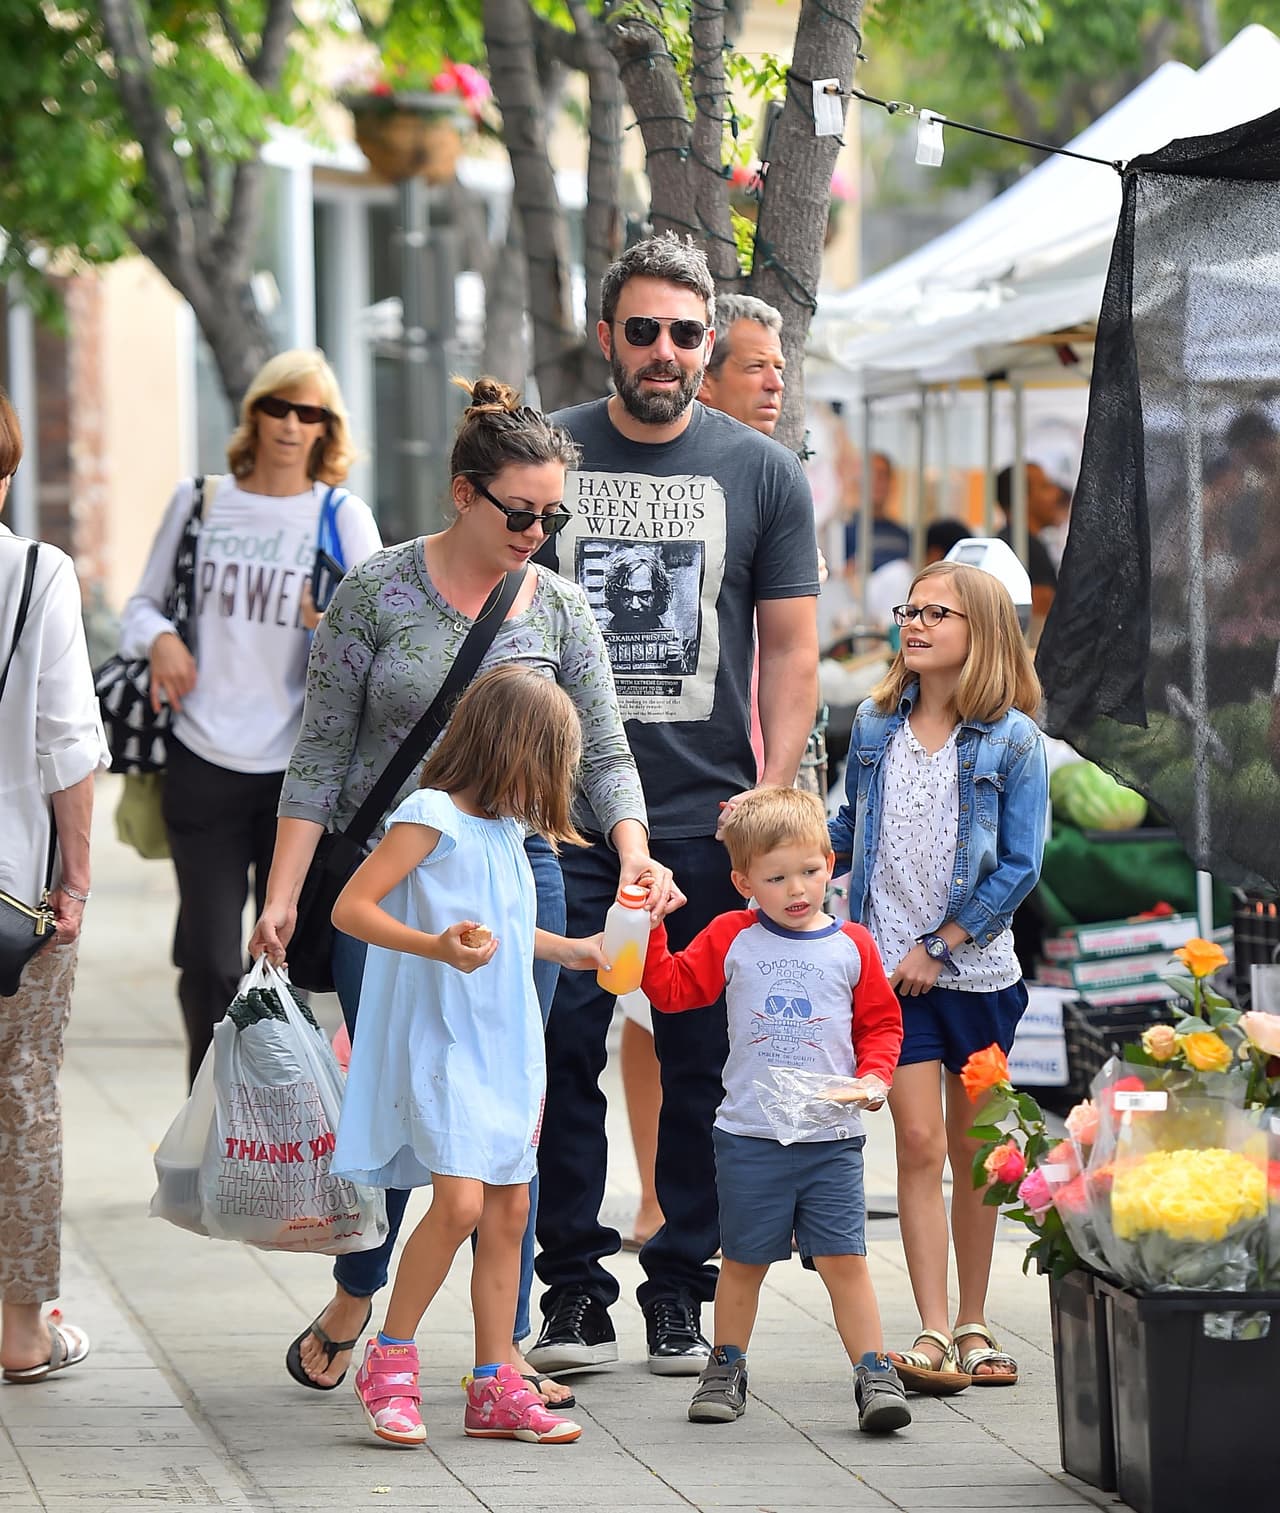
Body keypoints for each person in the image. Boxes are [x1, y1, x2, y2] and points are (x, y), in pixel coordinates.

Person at [249, 378, 669, 1406]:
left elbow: (604, 751)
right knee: (404, 1094)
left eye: (550, 514)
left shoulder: (559, 608)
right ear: (461, 494)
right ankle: (360, 1291)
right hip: (391, 876)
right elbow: (320, 756)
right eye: (517, 511)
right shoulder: (378, 590)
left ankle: (501, 1347)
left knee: (503, 1112)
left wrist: (632, 851)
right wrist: (284, 894)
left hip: (513, 872)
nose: (534, 530)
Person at [528, 234, 819, 1377]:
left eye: (683, 333)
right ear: (606, 336)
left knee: (701, 1060)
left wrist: (772, 790)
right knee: (561, 1052)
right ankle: (571, 1292)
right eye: (640, 329)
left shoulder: (761, 471)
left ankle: (679, 1289)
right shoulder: (547, 452)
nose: (662, 352)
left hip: (704, 822)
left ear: (709, 344)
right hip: (562, 822)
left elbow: (789, 648)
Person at [331, 665, 606, 1447]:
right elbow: (354, 907)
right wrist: (435, 947)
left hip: (507, 1043)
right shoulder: (429, 816)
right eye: (551, 762)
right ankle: (389, 1358)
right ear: (510, 748)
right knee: (457, 1205)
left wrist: (575, 950)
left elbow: (506, 931)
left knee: (511, 1210)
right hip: (443, 1039)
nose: (555, 783)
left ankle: (495, 1381)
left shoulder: (505, 831)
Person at [118, 349, 381, 1085]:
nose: (293, 426)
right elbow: (137, 608)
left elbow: (390, 629)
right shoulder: (200, 500)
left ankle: (273, 1116)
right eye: (279, 408)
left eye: (311, 414)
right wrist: (162, 638)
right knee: (206, 958)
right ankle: (207, 1117)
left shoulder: (340, 515)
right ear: (254, 413)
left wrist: (329, 622)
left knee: (281, 957)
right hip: (202, 756)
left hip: (300, 771)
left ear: (329, 428)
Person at [829, 561, 1047, 1391]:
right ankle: (927, 1326)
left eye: (935, 612)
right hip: (892, 975)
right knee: (916, 1144)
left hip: (979, 974)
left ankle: (973, 1320)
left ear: (980, 629)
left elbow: (1020, 867)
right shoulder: (876, 725)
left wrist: (945, 943)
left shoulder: (1013, 740)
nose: (914, 624)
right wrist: (790, 843)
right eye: (908, 610)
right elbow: (854, 827)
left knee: (977, 1150)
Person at [641, 787, 910, 1432]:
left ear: (829, 860)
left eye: (812, 871)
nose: (798, 888)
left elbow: (882, 1025)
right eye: (777, 877)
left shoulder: (854, 946)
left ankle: (874, 1372)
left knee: (846, 1260)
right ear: (743, 882)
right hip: (750, 1136)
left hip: (832, 1138)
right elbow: (675, 991)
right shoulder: (731, 936)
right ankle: (726, 1367)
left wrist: (874, 1079)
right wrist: (649, 934)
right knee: (742, 1261)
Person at [0, 389, 109, 1381]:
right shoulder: (34, 574)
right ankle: (23, 1329)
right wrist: (76, 880)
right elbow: (68, 743)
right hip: (11, 897)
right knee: (22, 1100)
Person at [698, 293, 786, 436]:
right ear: (703, 382)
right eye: (756, 366)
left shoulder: (780, 458)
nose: (777, 384)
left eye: (778, 368)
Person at [994, 463, 1060, 622]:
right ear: (1022, 497)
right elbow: (1043, 604)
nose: (1055, 494)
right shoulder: (1022, 547)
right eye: (1045, 487)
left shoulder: (1005, 542)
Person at [843, 452, 908, 573]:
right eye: (871, 475)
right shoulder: (846, 530)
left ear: (891, 482)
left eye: (882, 475)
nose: (877, 481)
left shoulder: (904, 535)